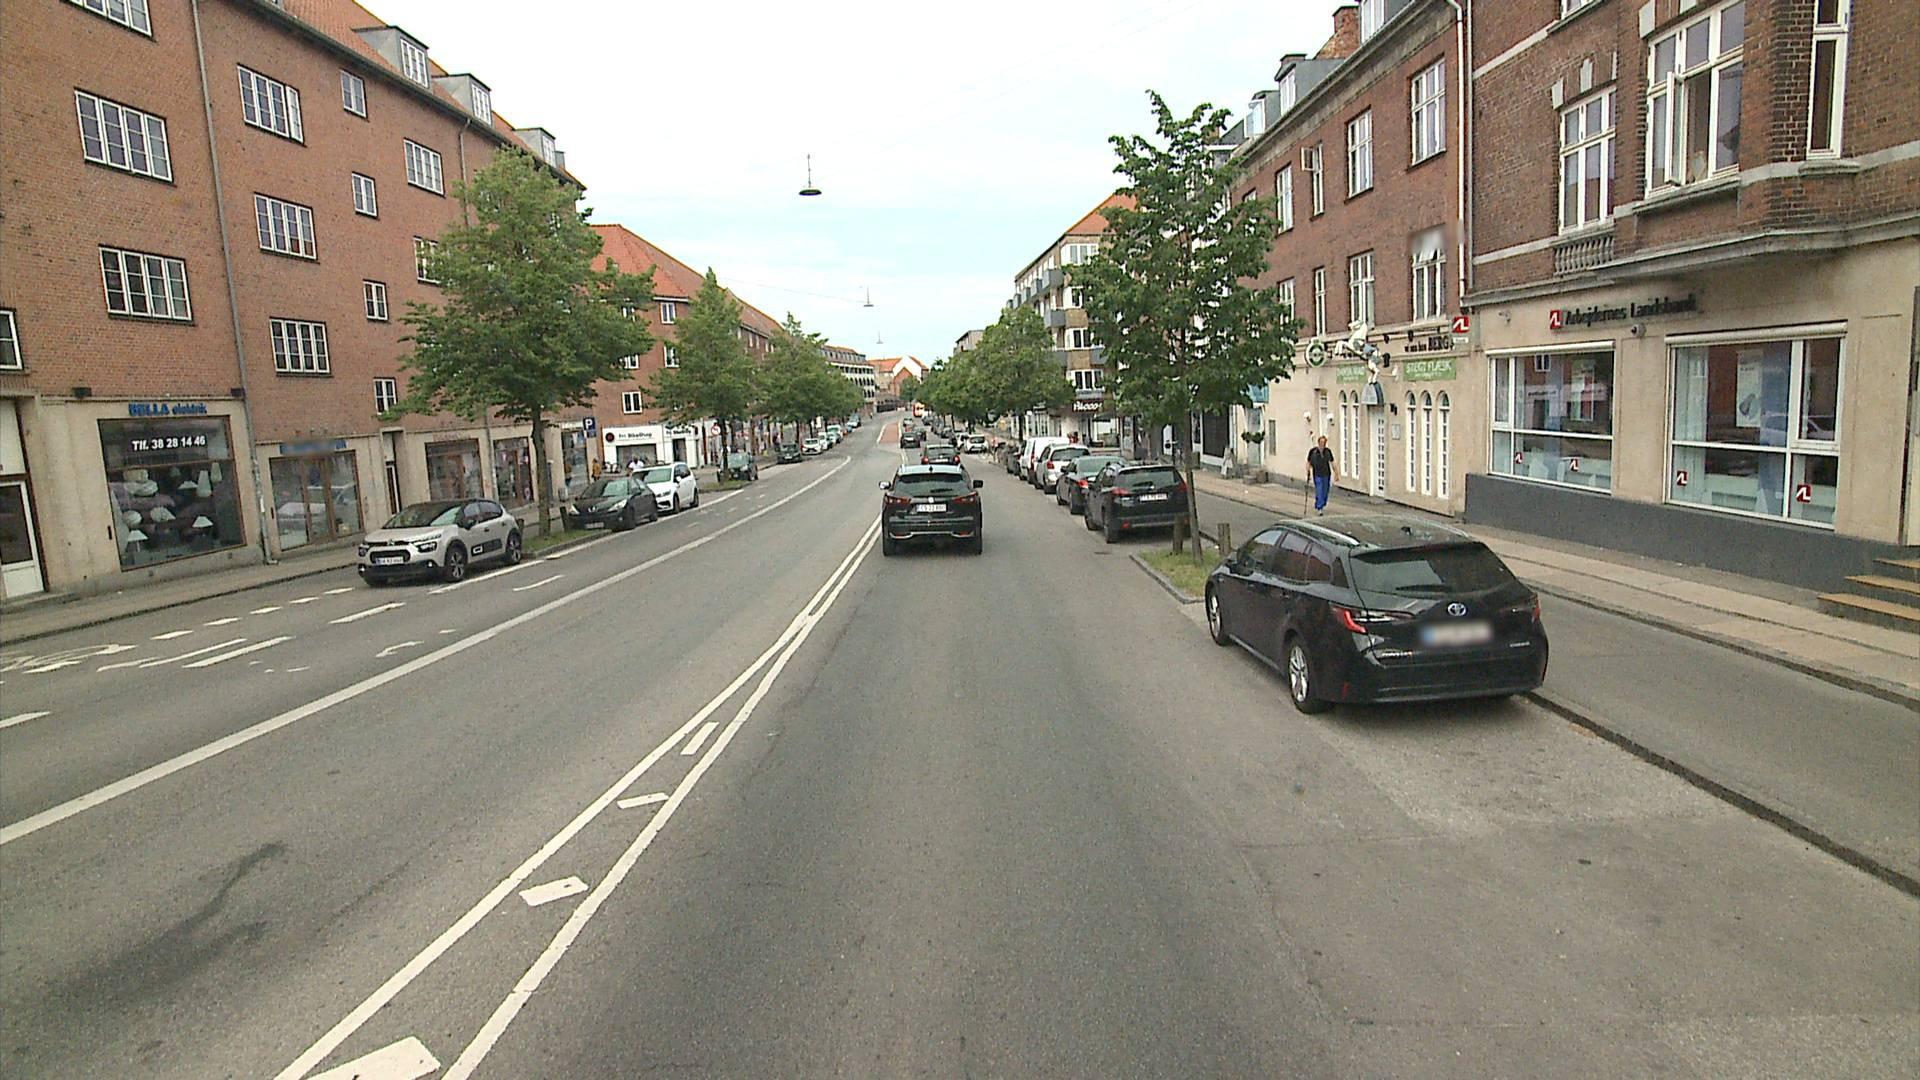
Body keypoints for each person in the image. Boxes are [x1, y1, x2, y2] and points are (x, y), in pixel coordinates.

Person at [1306, 435, 1337, 515]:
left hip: (1326, 474)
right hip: (1317, 474)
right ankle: (1319, 508)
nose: (1323, 444)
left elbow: (1332, 462)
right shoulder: (1313, 451)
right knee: (1319, 490)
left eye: (1324, 442)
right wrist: (1308, 471)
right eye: (1321, 442)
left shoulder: (1328, 451)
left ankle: (1321, 503)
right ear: (1318, 442)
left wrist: (1336, 473)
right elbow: (1308, 462)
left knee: (1325, 491)